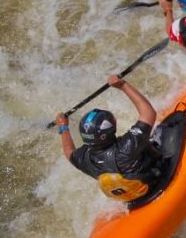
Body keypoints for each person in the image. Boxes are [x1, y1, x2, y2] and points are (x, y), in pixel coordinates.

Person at [56, 74, 158, 202]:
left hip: (133, 198)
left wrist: (63, 127)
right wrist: (123, 85)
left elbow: (68, 151)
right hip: (156, 183)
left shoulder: (84, 160)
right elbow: (148, 113)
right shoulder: (127, 147)